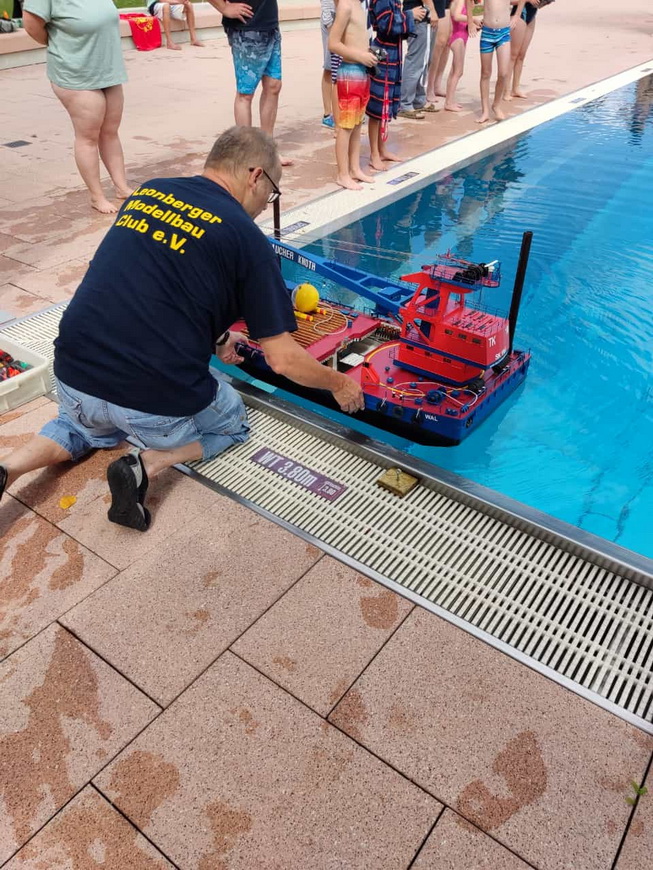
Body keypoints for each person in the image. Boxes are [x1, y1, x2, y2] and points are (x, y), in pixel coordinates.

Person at [0, 128, 364, 532]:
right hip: (149, 401)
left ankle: (9, 467)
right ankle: (147, 464)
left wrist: (221, 338)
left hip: (74, 374)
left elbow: (152, 288)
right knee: (233, 423)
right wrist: (339, 383)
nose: (266, 205)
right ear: (256, 176)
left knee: (78, 425)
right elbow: (283, 360)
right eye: (271, 193)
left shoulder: (148, 193)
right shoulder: (247, 239)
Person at [22, 0, 131, 215]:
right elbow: (32, 26)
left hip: (108, 69)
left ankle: (122, 187)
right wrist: (63, 44)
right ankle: (97, 196)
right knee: (88, 136)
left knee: (110, 131)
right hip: (76, 72)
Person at [208, 0, 292, 165]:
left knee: (273, 86)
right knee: (246, 93)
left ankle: (267, 150)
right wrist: (224, 7)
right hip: (246, 27)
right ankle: (247, 153)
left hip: (269, 23)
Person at [329, 0, 377, 189]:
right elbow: (333, 44)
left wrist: (368, 55)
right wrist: (360, 56)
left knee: (357, 124)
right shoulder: (345, 6)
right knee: (346, 126)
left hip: (362, 71)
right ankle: (342, 174)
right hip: (350, 72)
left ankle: (355, 168)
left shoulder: (358, 4)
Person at [367, 0, 415, 171]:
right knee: (377, 107)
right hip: (383, 53)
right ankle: (374, 154)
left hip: (392, 53)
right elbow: (387, 25)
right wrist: (410, 16)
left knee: (385, 105)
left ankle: (382, 149)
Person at [477, 0, 524, 123]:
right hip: (487, 32)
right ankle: (485, 111)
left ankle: (496, 105)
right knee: (485, 73)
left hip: (503, 33)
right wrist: (471, 21)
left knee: (503, 73)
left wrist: (517, 15)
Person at [397, 0, 438, 120]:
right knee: (415, 61)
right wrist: (432, 10)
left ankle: (418, 100)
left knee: (424, 61)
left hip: (426, 19)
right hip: (420, 18)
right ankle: (405, 104)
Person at [505, 0, 550, 101]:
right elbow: (507, 1)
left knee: (521, 55)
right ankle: (506, 90)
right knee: (513, 55)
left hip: (531, 16)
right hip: (519, 16)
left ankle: (515, 88)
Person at [443, 0, 482, 112]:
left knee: (454, 71)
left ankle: (449, 100)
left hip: (461, 36)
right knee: (458, 71)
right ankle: (448, 103)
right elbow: (456, 16)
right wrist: (473, 19)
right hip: (458, 38)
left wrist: (472, 25)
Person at [320, 0, 337, 127]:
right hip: (331, 18)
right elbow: (326, 5)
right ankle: (327, 114)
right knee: (329, 68)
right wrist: (330, 25)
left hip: (347, 17)